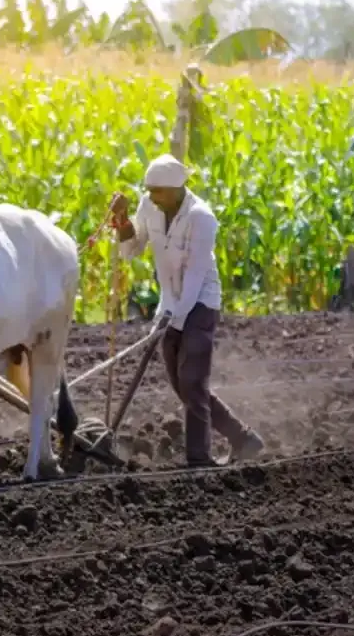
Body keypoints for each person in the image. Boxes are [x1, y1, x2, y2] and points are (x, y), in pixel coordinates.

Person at [109, 153, 265, 467]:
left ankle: (199, 458)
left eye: (158, 191)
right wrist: (124, 221)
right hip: (169, 303)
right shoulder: (148, 206)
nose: (152, 197)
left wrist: (176, 321)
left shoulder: (201, 217)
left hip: (201, 303)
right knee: (183, 385)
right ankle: (243, 438)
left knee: (192, 380)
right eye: (149, 190)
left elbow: (195, 276)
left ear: (178, 188)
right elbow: (131, 250)